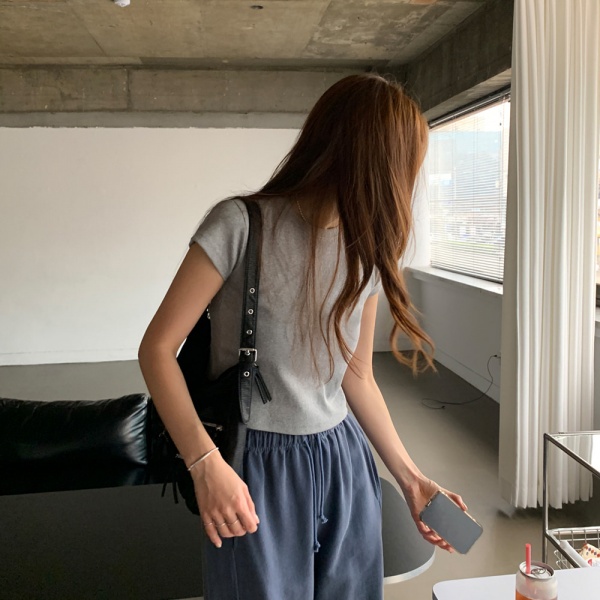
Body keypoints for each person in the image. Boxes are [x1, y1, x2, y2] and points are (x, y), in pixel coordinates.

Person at [138, 73, 466, 600]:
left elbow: (357, 377)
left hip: (343, 460)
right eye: (405, 165)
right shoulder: (240, 225)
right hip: (256, 464)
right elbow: (157, 350)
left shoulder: (368, 251)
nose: (407, 184)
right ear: (373, 160)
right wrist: (204, 465)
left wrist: (411, 479)